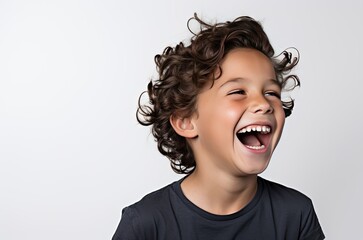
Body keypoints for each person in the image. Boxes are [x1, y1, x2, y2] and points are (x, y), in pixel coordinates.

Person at [112, 13, 325, 240]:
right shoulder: (145, 224)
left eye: (271, 93)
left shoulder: (296, 214)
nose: (264, 104)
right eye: (238, 92)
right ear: (186, 121)